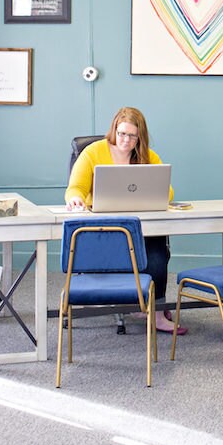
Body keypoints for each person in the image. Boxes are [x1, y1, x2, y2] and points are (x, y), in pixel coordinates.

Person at [65, 107, 186, 335]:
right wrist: (75, 200)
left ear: (140, 136)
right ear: (114, 130)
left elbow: (166, 192)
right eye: (122, 133)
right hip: (103, 228)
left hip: (139, 225)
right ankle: (141, 305)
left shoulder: (147, 155)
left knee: (158, 252)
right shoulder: (93, 152)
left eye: (132, 136)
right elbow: (75, 189)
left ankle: (157, 314)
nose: (126, 140)